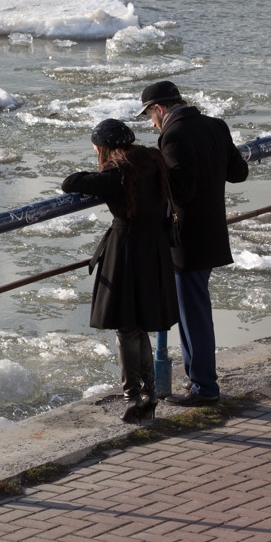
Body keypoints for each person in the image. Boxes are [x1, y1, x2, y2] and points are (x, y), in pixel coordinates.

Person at [138, 81, 249, 407]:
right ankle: (197, 379)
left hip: (186, 240)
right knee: (194, 309)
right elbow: (239, 172)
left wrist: (155, 166)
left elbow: (181, 191)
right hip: (213, 230)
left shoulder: (172, 135)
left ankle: (204, 386)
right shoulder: (216, 125)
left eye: (149, 115)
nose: (151, 123)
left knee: (193, 313)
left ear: (159, 109)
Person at [62, 119, 179, 423]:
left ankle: (134, 397)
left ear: (105, 148)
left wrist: (96, 170)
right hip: (155, 248)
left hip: (127, 249)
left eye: (96, 149)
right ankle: (149, 392)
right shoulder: (153, 160)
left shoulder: (117, 174)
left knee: (126, 327)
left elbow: (71, 183)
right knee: (139, 324)